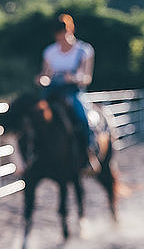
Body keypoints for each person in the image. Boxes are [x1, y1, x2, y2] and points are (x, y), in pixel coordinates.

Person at [36, 14, 99, 170]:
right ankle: (35, 154)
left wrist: (74, 78)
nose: (60, 37)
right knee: (35, 115)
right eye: (58, 34)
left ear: (70, 30)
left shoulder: (84, 50)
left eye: (63, 32)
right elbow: (46, 74)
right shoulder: (50, 52)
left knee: (82, 116)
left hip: (73, 91)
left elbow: (87, 78)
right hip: (52, 91)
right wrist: (41, 80)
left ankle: (89, 152)